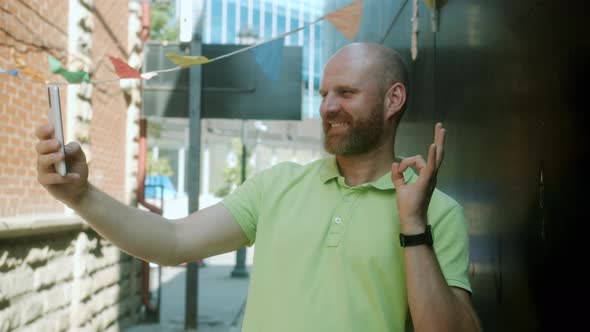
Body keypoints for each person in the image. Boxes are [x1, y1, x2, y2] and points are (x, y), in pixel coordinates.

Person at [35, 42, 482, 331]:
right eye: (324, 93)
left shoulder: (438, 214)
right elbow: (170, 241)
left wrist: (412, 224)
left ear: (393, 100)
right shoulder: (277, 186)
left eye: (345, 93)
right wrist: (81, 196)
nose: (327, 106)